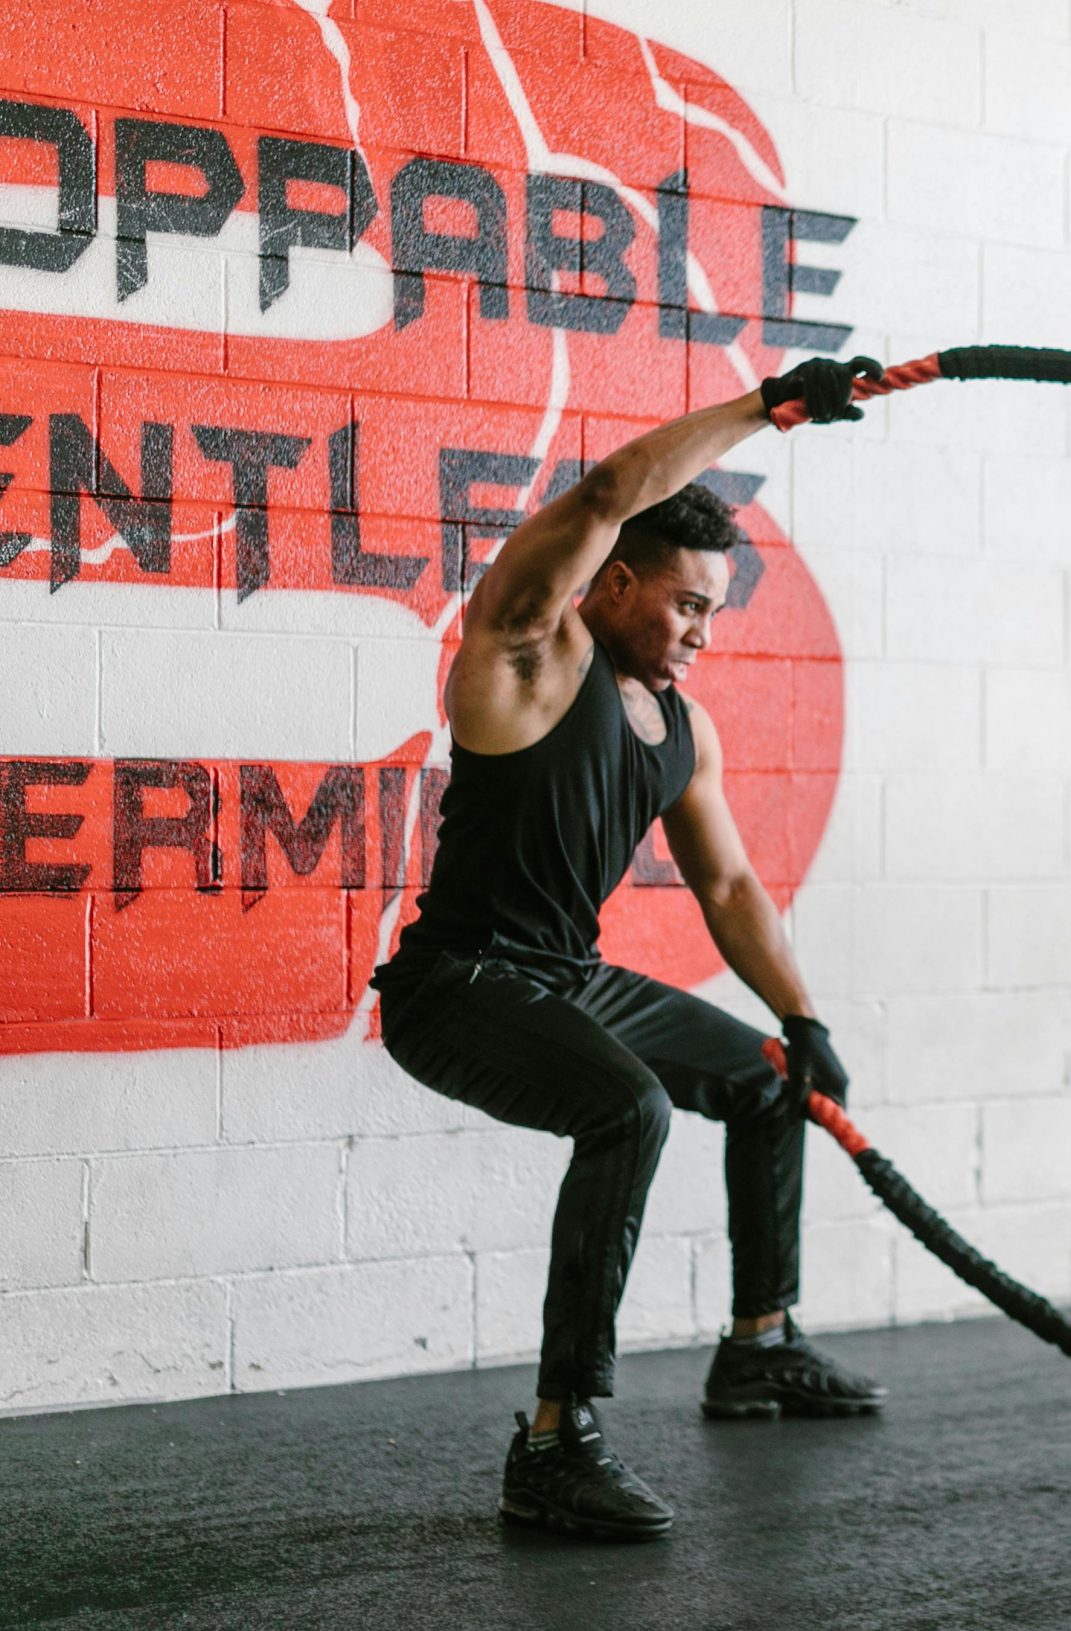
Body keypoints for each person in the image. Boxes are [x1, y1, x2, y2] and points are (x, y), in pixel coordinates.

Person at [370, 356, 887, 1542]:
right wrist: (769, 409)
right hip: (458, 987)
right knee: (629, 1109)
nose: (703, 632)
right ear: (610, 586)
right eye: (686, 604)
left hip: (565, 979)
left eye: (715, 610)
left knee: (767, 1083)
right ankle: (554, 1443)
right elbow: (605, 491)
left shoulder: (683, 726)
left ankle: (759, 1346)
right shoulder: (526, 658)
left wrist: (804, 1023)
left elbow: (729, 881)